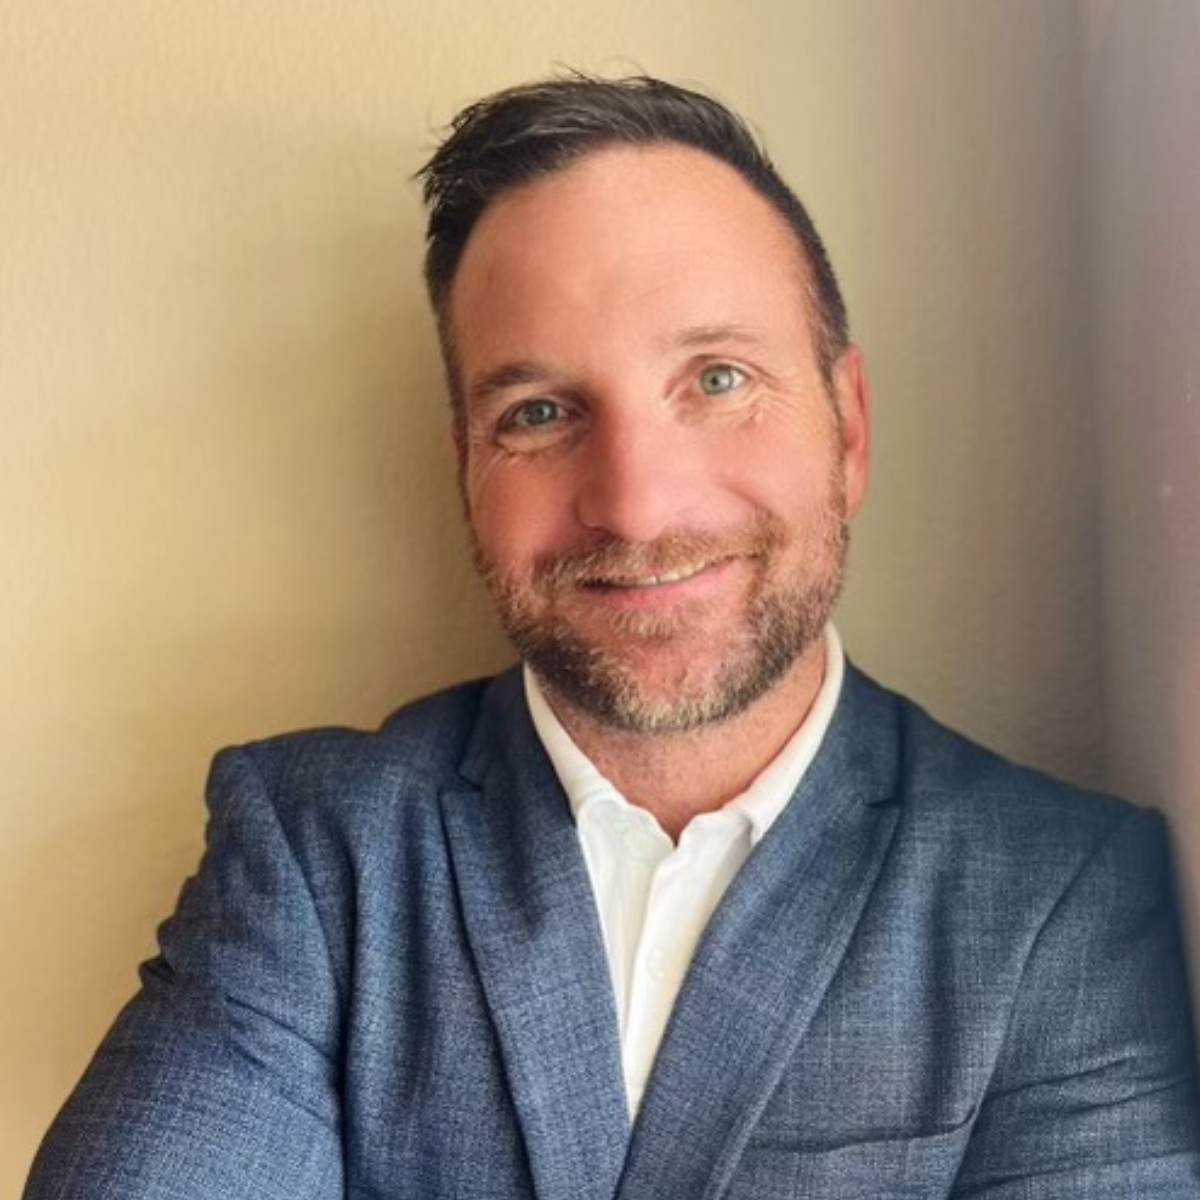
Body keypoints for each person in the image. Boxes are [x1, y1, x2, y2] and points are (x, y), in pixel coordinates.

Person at [25, 74, 1200, 1199]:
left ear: (848, 428)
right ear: (467, 464)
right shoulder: (318, 856)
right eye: (538, 412)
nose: (636, 507)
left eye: (719, 380)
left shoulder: (1062, 896)